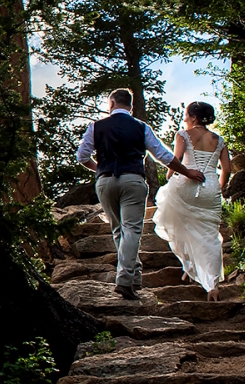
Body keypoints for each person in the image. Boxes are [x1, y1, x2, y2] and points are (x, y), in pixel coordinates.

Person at [76, 89, 206, 299]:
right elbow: (163, 156)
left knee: (118, 230)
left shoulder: (96, 127)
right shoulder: (141, 127)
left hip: (105, 181)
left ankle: (134, 277)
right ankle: (126, 279)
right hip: (133, 180)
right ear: (131, 106)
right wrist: (187, 171)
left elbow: (82, 156)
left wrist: (100, 168)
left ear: (111, 104)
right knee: (132, 230)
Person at [153, 101, 233, 297]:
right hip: (211, 187)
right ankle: (213, 285)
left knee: (179, 224)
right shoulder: (220, 140)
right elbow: (227, 170)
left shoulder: (183, 135)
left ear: (194, 117)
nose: (184, 117)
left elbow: (175, 163)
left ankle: (188, 265)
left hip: (187, 185)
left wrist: (170, 176)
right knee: (210, 235)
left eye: (186, 114)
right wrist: (218, 189)